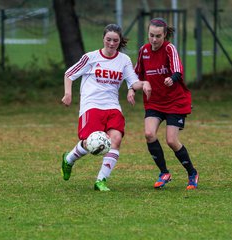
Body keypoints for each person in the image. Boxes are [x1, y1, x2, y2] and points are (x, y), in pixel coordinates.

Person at [61, 24, 151, 191]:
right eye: (108, 39)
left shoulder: (124, 60)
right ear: (103, 39)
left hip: (112, 107)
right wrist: (68, 94)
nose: (111, 43)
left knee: (115, 140)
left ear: (119, 41)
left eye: (115, 40)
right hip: (91, 105)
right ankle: (69, 159)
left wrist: (144, 83)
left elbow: (133, 82)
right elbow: (69, 74)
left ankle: (100, 181)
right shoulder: (91, 58)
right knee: (89, 144)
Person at [130, 17, 199, 190]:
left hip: (175, 102)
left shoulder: (169, 48)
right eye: (151, 35)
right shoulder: (143, 51)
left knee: (171, 140)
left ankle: (192, 172)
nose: (154, 40)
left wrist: (172, 78)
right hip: (154, 102)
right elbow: (137, 74)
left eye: (158, 36)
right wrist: (132, 89)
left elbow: (178, 70)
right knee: (149, 134)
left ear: (165, 35)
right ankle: (164, 173)